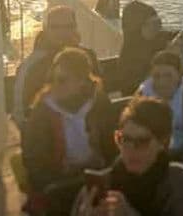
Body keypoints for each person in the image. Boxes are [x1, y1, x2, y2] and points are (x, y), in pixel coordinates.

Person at [22, 48, 115, 215]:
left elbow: (112, 144)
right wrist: (62, 176)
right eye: (53, 79)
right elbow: (34, 161)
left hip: (97, 176)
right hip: (60, 183)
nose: (55, 85)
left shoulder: (99, 102)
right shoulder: (42, 111)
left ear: (82, 82)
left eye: (62, 80)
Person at [71, 97, 183, 216]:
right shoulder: (99, 186)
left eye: (142, 142)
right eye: (124, 139)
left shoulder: (176, 180)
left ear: (163, 142)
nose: (130, 149)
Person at [13, 6, 101, 129]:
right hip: (46, 133)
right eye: (55, 27)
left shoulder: (88, 57)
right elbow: (21, 114)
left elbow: (99, 96)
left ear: (75, 28)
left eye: (68, 26)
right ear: (45, 29)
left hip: (86, 129)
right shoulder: (31, 66)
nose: (62, 32)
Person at [136, 51, 183, 158]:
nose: (161, 82)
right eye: (156, 76)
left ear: (179, 75)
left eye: (168, 75)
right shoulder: (143, 92)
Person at [117, 1, 183, 96]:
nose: (159, 27)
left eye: (159, 22)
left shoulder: (157, 37)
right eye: (154, 24)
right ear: (138, 27)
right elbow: (143, 88)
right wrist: (169, 56)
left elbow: (177, 34)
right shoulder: (129, 57)